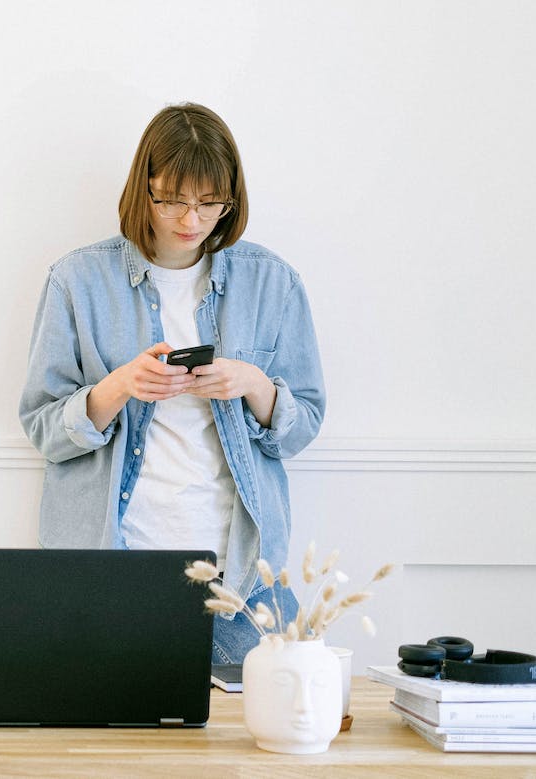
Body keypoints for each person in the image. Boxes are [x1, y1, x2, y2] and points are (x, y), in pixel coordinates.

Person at [19, 102, 323, 664]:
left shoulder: (272, 283)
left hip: (241, 578)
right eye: (173, 200)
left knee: (254, 739)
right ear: (143, 188)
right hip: (110, 568)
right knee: (109, 746)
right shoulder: (77, 281)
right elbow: (43, 428)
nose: (191, 220)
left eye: (210, 203)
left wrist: (254, 384)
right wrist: (117, 388)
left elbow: (303, 424)